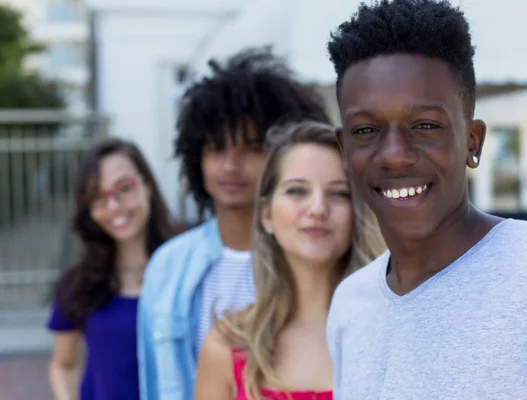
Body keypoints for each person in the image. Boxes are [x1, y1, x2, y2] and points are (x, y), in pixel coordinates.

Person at [326, 1, 527, 399]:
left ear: (472, 141)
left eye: (424, 125)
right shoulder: (350, 306)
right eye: (366, 129)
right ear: (344, 150)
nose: (395, 154)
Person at [137, 47, 330, 400]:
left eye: (250, 148)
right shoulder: (168, 266)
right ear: (196, 156)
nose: (230, 165)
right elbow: (153, 382)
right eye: (216, 148)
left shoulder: (314, 256)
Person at [193, 120, 384, 400]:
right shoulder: (226, 345)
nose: (318, 208)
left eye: (340, 193)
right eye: (297, 190)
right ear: (266, 214)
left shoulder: (393, 334)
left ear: (357, 215)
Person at [47, 138, 180, 400]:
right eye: (98, 197)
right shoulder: (78, 284)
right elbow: (64, 365)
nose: (114, 207)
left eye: (125, 188)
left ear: (148, 185)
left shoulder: (186, 269)